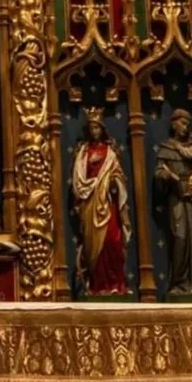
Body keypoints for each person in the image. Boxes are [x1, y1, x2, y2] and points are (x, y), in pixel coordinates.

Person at [71, 108, 131, 296]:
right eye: (91, 127)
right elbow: (78, 179)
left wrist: (114, 183)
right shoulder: (83, 152)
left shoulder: (110, 152)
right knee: (93, 246)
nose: (94, 131)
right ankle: (98, 285)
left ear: (102, 129)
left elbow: (119, 175)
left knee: (113, 241)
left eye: (97, 127)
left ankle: (116, 284)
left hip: (107, 203)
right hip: (89, 203)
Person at [155, 107, 192, 296]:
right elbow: (158, 174)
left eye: (188, 124)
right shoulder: (167, 148)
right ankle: (179, 283)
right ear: (173, 124)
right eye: (182, 123)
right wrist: (164, 176)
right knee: (180, 239)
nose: (185, 128)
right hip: (178, 202)